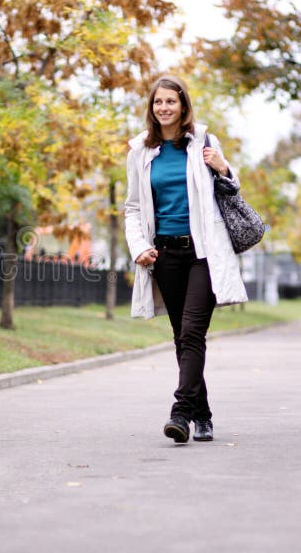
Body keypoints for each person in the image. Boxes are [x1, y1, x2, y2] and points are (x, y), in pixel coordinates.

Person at [123, 75, 247, 444]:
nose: (164, 108)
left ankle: (181, 413)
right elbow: (132, 207)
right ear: (152, 108)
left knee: (193, 332)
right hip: (164, 254)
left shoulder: (203, 143)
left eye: (170, 102)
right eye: (158, 102)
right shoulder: (140, 152)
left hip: (203, 253)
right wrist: (138, 246)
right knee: (183, 337)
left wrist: (225, 167)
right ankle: (203, 414)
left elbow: (230, 191)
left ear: (183, 106)